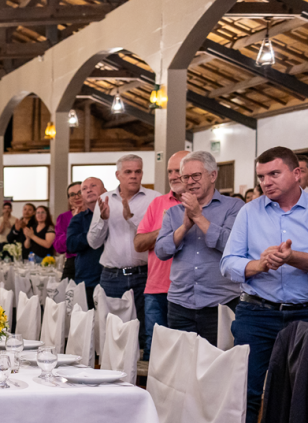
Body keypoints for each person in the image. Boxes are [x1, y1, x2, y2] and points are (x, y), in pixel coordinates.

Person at [219, 146, 308, 423]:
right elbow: (228, 263)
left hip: (304, 314)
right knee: (244, 391)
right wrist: (260, 264)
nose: (266, 182)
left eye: (274, 174)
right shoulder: (249, 212)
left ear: (296, 173)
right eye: (261, 176)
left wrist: (293, 258)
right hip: (257, 312)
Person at [154, 150, 242, 345]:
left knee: (217, 367)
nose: (190, 181)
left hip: (221, 304)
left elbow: (231, 245)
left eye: (196, 175)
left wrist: (199, 218)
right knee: (182, 366)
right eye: (186, 177)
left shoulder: (234, 207)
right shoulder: (174, 212)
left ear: (213, 176)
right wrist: (185, 226)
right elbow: (161, 251)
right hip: (179, 304)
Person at [86, 155, 155, 353]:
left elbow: (156, 237)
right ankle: (111, 371)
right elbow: (93, 242)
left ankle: (140, 377)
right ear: (118, 175)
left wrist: (130, 219)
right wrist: (104, 220)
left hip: (144, 274)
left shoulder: (154, 199)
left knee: (144, 329)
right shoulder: (105, 200)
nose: (134, 176)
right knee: (113, 330)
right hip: (113, 275)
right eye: (128, 172)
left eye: (138, 171)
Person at [135, 151, 190, 338]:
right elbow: (139, 244)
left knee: (184, 350)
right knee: (154, 351)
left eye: (178, 170)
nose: (173, 176)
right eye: (170, 171)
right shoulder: (158, 203)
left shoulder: (204, 204)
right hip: (156, 289)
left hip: (188, 292)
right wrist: (167, 230)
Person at [67, 177, 106, 308]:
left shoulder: (115, 214)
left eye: (93, 186)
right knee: (87, 323)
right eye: (84, 189)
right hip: (87, 278)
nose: (89, 190)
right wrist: (94, 234)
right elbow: (71, 244)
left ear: (104, 191)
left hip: (113, 279)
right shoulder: (78, 219)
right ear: (82, 196)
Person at [54, 182, 84, 280]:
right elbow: (59, 247)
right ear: (69, 200)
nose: (76, 197)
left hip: (94, 263)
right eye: (72, 194)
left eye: (80, 192)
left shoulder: (95, 215)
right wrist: (74, 224)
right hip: (72, 263)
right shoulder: (63, 217)